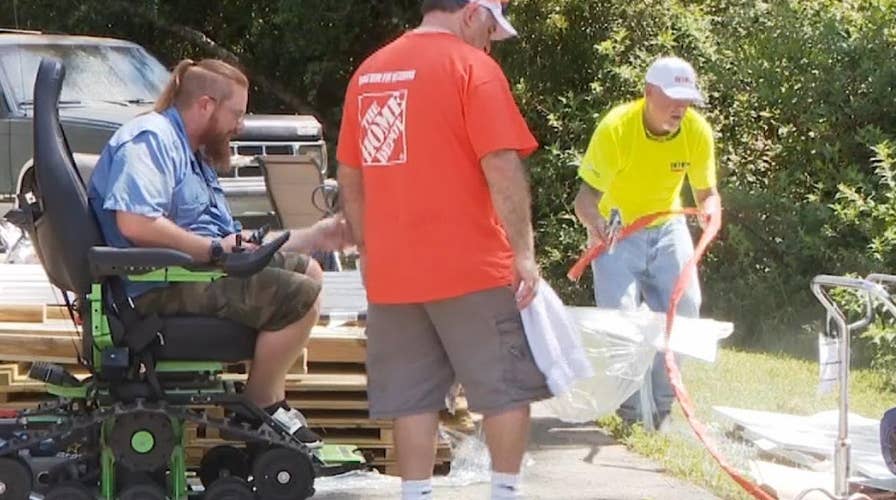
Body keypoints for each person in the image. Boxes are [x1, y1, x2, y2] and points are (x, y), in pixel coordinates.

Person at [336, 1, 550, 498]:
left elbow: (351, 172)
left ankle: (416, 494)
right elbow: (500, 164)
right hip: (471, 265)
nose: (491, 40)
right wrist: (523, 253)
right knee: (504, 389)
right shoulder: (473, 69)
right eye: (492, 27)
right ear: (472, 12)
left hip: (394, 272)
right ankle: (504, 493)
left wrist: (368, 250)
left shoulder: (369, 74)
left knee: (412, 397)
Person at [88, 58, 348, 446]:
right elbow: (135, 223)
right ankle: (259, 405)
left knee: (308, 270)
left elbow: (230, 240)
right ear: (206, 104)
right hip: (152, 287)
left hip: (189, 272)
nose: (239, 125)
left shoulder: (193, 152)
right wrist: (210, 250)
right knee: (300, 296)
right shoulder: (152, 139)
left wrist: (314, 236)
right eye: (236, 114)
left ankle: (268, 399)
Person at [573, 56, 722, 430]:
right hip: (617, 231)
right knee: (621, 321)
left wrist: (710, 211)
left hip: (668, 225)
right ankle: (629, 414)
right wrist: (599, 226)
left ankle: (661, 409)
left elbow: (707, 192)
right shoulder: (617, 128)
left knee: (685, 309)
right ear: (648, 93)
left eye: (687, 99)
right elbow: (584, 201)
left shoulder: (697, 131)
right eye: (672, 97)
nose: (680, 107)